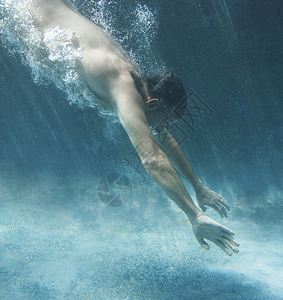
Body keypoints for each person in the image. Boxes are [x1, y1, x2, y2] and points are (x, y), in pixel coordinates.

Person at [29, 0, 239, 256]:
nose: (165, 127)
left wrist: (198, 187)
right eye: (168, 120)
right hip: (30, 11)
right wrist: (194, 215)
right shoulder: (123, 88)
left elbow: (162, 136)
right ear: (154, 104)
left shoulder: (144, 87)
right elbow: (151, 158)